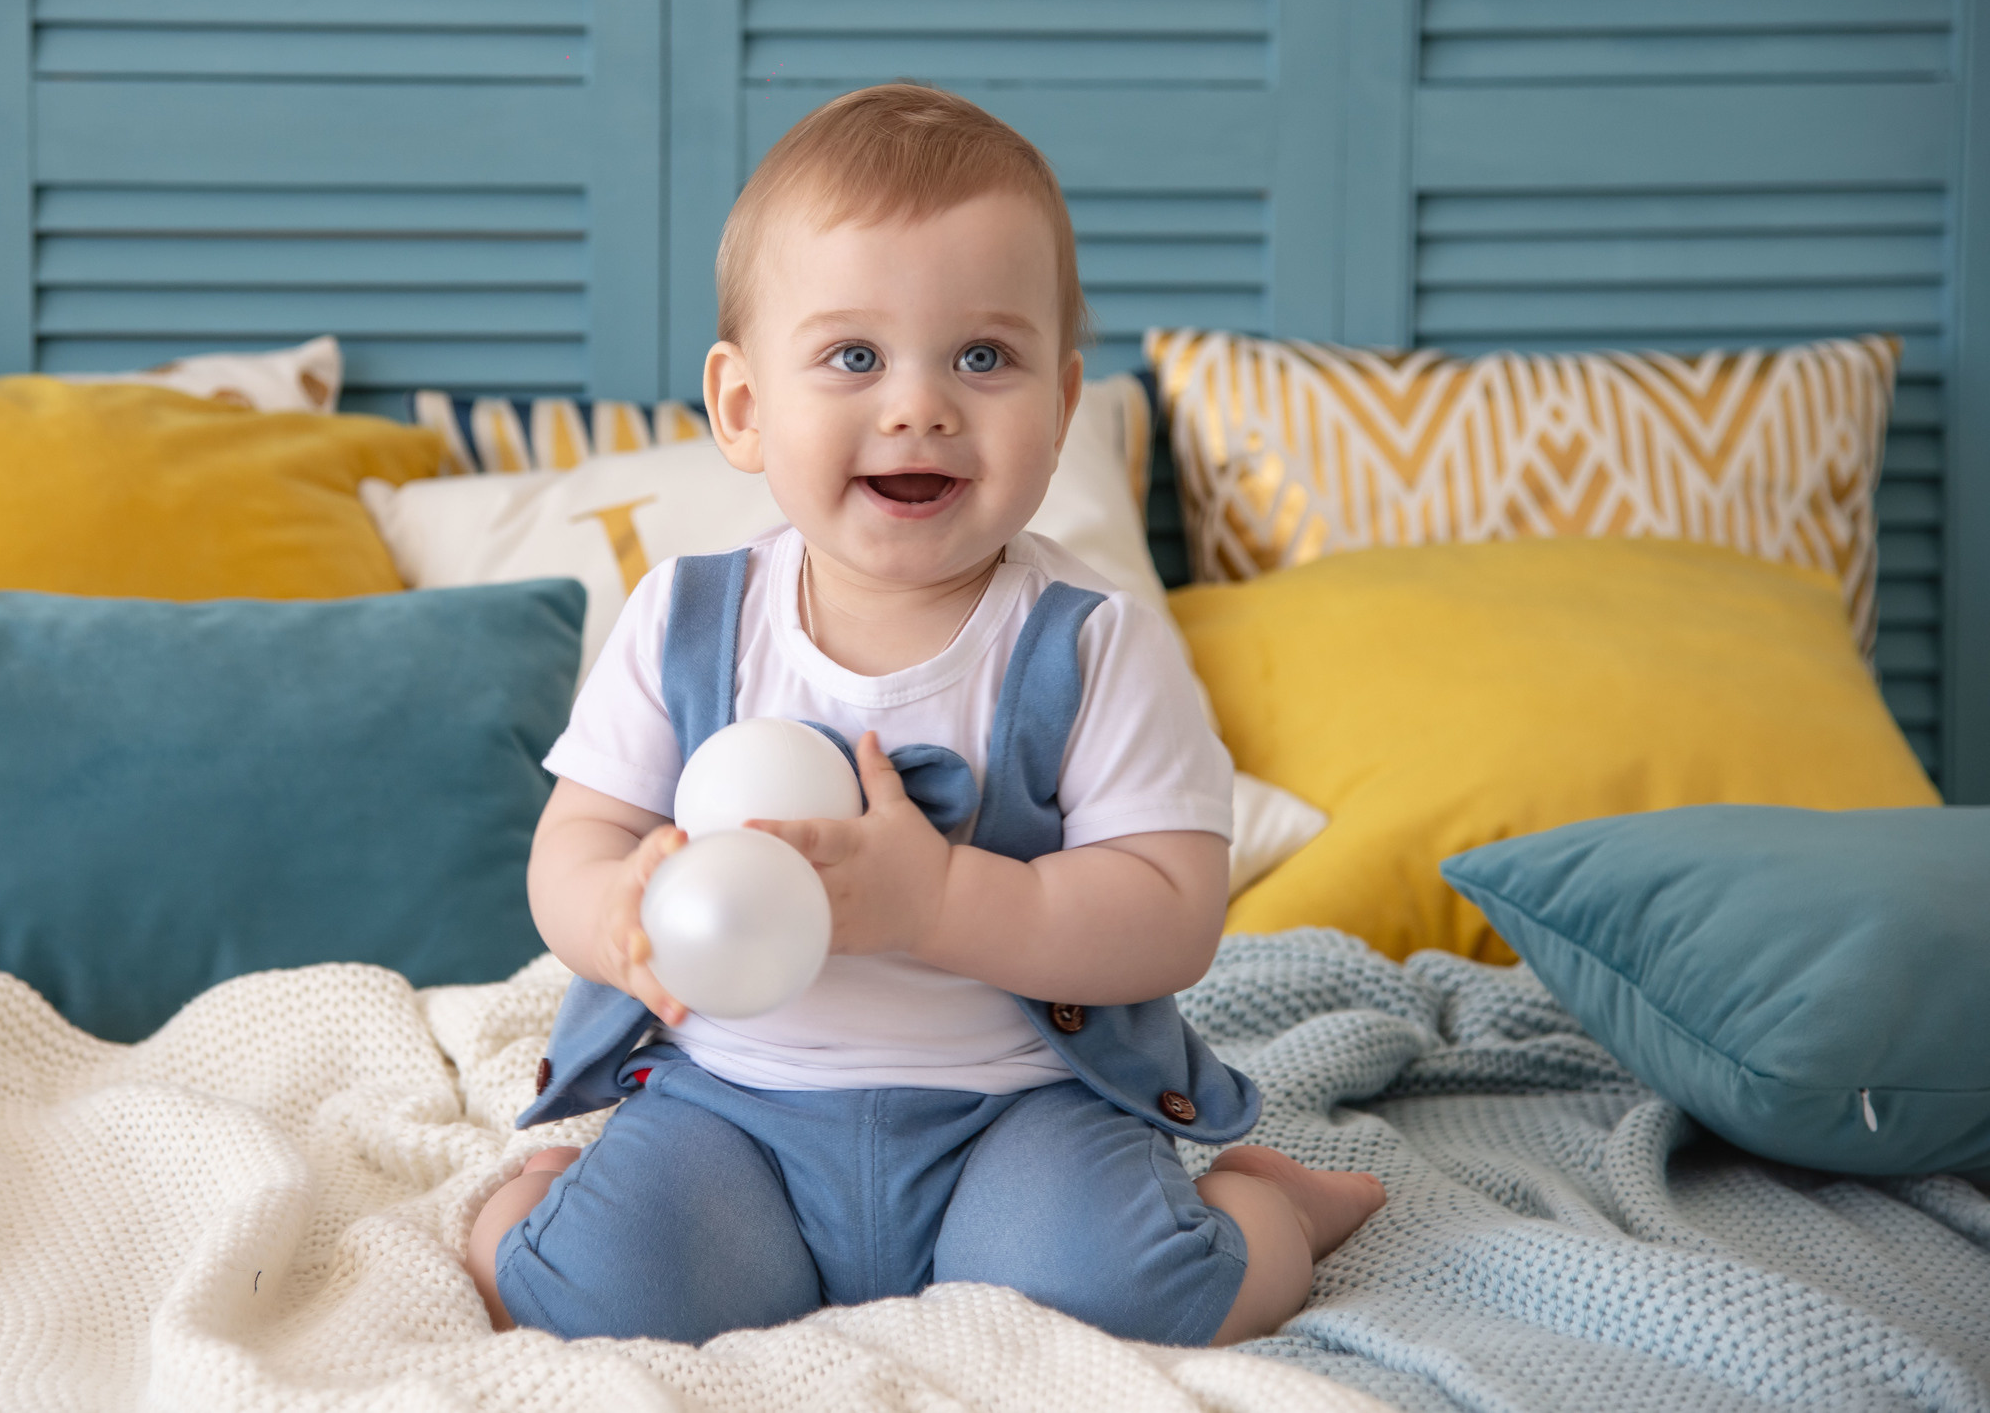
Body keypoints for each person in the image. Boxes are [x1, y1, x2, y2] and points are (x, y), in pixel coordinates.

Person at [464, 83, 1383, 1346]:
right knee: (584, 1300)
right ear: (741, 408)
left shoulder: (1091, 643)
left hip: (1015, 1112)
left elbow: (1171, 915)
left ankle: (1267, 1210)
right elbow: (575, 839)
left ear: (1061, 408)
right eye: (853, 356)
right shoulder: (687, 620)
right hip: (732, 1103)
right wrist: (614, 914)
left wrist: (942, 905)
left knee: (1128, 1298)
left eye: (983, 357)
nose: (919, 405)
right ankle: (532, 1202)